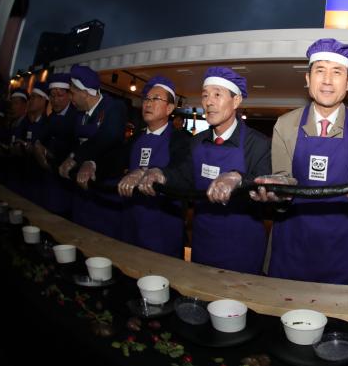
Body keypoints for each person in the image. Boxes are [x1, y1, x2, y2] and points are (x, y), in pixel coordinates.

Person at [253, 38, 348, 285]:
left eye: (337, 72)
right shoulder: (285, 124)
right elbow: (283, 176)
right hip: (292, 243)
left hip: (342, 247)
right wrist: (277, 188)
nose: (327, 80)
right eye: (320, 71)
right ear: (307, 79)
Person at [138, 67, 271, 273]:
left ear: (236, 101)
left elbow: (265, 189)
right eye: (205, 95)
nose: (209, 102)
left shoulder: (258, 143)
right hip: (203, 241)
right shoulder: (196, 142)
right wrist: (161, 173)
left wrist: (240, 179)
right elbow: (183, 175)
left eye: (217, 94)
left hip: (242, 247)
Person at [117, 76, 190, 257]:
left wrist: (149, 173)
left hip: (163, 228)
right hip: (131, 221)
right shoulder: (134, 139)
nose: (148, 103)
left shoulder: (181, 140)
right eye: (146, 99)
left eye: (155, 99)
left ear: (169, 108)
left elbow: (182, 172)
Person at [58, 64, 128, 238]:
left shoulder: (114, 107)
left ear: (84, 92)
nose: (70, 98)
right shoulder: (79, 114)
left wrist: (76, 157)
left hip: (104, 189)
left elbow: (108, 137)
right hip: (81, 188)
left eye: (72, 93)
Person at [33, 73, 79, 218]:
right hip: (48, 180)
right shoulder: (51, 117)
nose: (55, 100)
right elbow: (39, 138)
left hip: (66, 185)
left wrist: (48, 153)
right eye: (52, 96)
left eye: (60, 95)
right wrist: (37, 145)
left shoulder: (77, 117)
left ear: (69, 95)